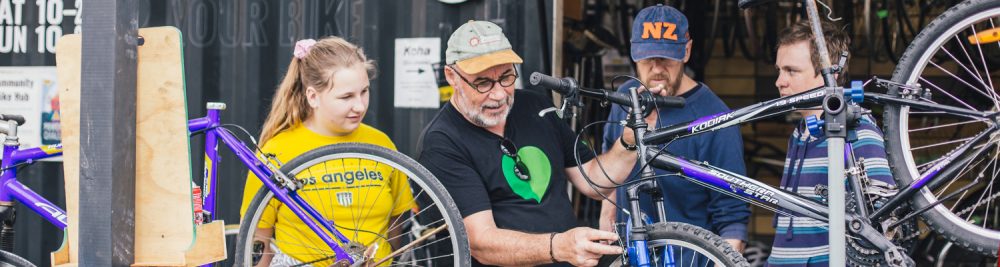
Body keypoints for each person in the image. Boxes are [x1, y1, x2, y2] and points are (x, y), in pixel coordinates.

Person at [418, 20, 641, 267]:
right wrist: (560, 246)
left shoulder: (536, 107)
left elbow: (594, 180)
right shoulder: (441, 142)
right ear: (452, 76)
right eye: (482, 83)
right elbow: (481, 243)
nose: (500, 94)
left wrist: (629, 142)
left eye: (506, 77)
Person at [239, 37, 413, 266]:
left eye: (364, 91)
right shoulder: (277, 150)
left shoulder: (381, 144)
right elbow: (258, 240)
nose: (360, 105)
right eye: (346, 97)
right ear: (313, 96)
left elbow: (397, 226)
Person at [600, 4, 750, 252]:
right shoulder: (625, 98)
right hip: (631, 254)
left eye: (666, 58)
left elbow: (732, 217)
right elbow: (609, 176)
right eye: (648, 58)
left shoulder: (715, 117)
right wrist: (608, 215)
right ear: (634, 53)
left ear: (686, 51)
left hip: (688, 258)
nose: (657, 69)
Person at [768, 20, 895, 266]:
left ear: (831, 72)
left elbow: (885, 221)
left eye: (791, 71)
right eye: (779, 70)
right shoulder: (800, 133)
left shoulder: (859, 132)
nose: (779, 81)